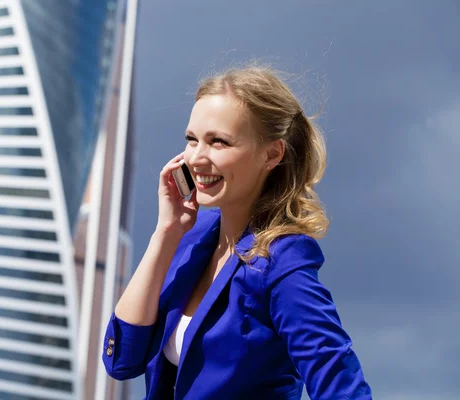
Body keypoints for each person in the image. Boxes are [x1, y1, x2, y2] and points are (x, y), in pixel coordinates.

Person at [101, 65, 372, 399]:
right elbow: (121, 361)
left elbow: (339, 381)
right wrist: (166, 232)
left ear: (271, 154)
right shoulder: (191, 237)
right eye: (192, 140)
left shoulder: (282, 260)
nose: (197, 158)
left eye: (219, 142)